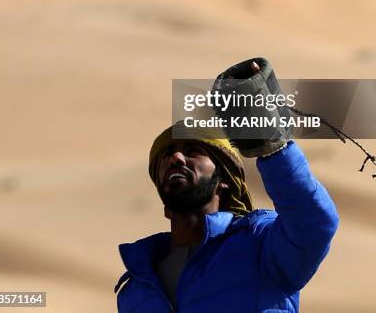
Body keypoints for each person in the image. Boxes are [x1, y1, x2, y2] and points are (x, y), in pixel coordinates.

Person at [115, 58, 339, 312]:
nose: (176, 158)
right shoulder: (137, 287)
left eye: (192, 150)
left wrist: (273, 147)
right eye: (166, 156)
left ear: (224, 181)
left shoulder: (260, 246)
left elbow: (313, 223)